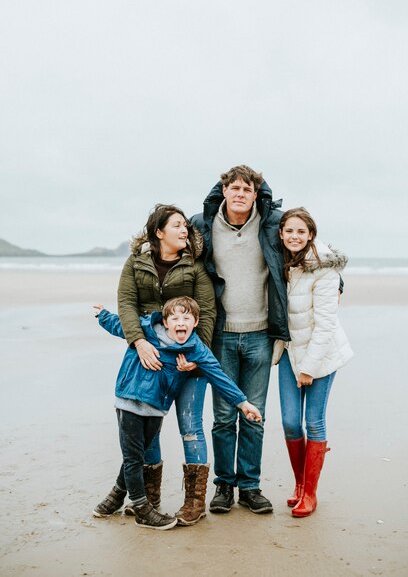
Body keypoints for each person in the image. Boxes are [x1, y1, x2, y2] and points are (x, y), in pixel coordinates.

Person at [93, 296, 262, 529]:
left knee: (138, 453)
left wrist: (243, 403)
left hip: (156, 409)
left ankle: (115, 496)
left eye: (186, 318)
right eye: (175, 318)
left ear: (196, 321)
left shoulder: (196, 349)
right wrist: (103, 315)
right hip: (129, 402)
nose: (180, 322)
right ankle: (142, 508)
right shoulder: (146, 330)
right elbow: (119, 325)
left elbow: (218, 376)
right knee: (134, 457)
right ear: (165, 321)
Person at [99, 204, 217, 526]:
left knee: (191, 425)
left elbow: (206, 310)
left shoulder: (194, 266)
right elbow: (126, 304)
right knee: (148, 428)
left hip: (189, 361)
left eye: (186, 226)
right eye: (177, 225)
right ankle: (148, 500)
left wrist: (196, 356)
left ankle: (194, 503)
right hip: (149, 359)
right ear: (158, 231)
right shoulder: (136, 263)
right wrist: (139, 342)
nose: (185, 230)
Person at [191, 165, 290, 514]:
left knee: (255, 414)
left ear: (255, 193)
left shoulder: (272, 222)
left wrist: (335, 280)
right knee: (222, 416)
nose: (240, 194)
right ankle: (223, 486)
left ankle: (249, 486)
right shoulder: (201, 224)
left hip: (261, 334)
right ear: (224, 190)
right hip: (221, 336)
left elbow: (305, 246)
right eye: (234, 188)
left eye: (247, 189)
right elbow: (172, 253)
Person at [274, 207, 353, 517]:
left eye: (301, 232)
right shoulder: (280, 263)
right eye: (289, 231)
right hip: (289, 353)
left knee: (313, 422)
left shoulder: (324, 269)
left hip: (321, 354)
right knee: (290, 421)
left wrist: (309, 367)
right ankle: (298, 483)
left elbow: (326, 324)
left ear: (311, 236)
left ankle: (310, 493)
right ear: (281, 234)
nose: (295, 236)